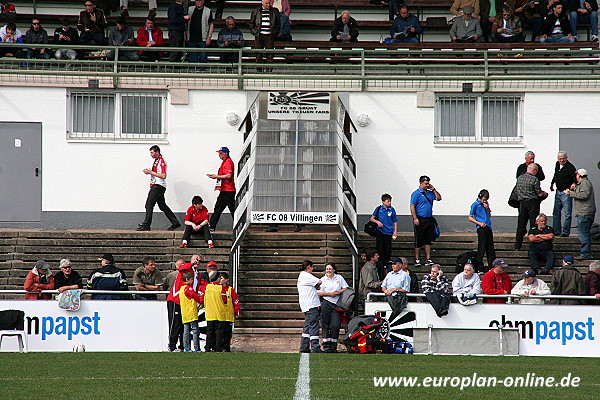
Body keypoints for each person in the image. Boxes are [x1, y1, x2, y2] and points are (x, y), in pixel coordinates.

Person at [137, 145, 181, 232]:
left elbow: (163, 175)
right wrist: (150, 172)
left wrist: (151, 172)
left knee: (149, 205)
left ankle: (146, 225)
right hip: (159, 186)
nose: (151, 154)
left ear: (157, 152)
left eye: (152, 152)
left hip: (158, 186)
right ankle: (175, 222)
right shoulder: (157, 161)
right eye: (150, 152)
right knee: (162, 206)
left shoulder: (161, 161)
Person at [166, 254, 202, 352]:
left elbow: (196, 287)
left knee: (184, 325)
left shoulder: (197, 273)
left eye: (199, 260)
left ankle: (183, 346)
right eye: (196, 259)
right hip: (175, 300)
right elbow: (181, 267)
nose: (197, 262)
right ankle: (172, 346)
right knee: (175, 324)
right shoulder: (186, 269)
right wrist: (190, 263)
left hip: (186, 302)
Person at [410, 175, 442, 267]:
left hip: (429, 219)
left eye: (428, 183)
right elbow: (412, 206)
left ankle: (428, 259)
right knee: (418, 240)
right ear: (421, 183)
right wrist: (415, 218)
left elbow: (439, 198)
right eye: (425, 183)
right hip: (420, 218)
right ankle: (417, 259)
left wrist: (434, 190)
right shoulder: (416, 194)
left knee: (428, 240)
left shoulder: (430, 193)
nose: (427, 185)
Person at [514, 163, 547, 250]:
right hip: (532, 203)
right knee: (533, 224)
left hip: (522, 203)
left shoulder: (519, 178)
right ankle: (533, 245)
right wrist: (544, 193)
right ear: (534, 170)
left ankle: (517, 246)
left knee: (521, 225)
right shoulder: (534, 179)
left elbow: (516, 191)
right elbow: (539, 193)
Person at [318, 262, 348, 353]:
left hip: (336, 304)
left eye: (330, 269)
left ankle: (333, 345)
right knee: (325, 324)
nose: (328, 270)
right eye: (327, 269)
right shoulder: (322, 279)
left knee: (335, 325)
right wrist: (330, 294)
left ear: (334, 270)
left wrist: (338, 292)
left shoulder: (339, 278)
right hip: (326, 303)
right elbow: (319, 292)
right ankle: (326, 346)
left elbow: (346, 288)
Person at [566, 168, 596, 260]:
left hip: (584, 213)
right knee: (585, 233)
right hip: (585, 213)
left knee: (583, 234)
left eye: (577, 175)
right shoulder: (584, 183)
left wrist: (571, 193)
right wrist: (575, 188)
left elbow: (584, 195)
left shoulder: (585, 183)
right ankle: (585, 252)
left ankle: (585, 253)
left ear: (579, 175)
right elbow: (582, 191)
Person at [297, 260, 323, 353]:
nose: (313, 269)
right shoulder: (307, 276)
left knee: (307, 326)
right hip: (311, 304)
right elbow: (319, 281)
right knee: (313, 325)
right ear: (308, 267)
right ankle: (315, 347)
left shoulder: (302, 276)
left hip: (305, 304)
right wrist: (317, 285)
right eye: (312, 267)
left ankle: (304, 347)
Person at [208, 146, 236, 230]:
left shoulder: (228, 162)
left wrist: (216, 176)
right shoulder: (225, 162)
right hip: (225, 190)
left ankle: (212, 226)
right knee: (219, 208)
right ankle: (212, 226)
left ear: (226, 154)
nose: (219, 155)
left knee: (229, 209)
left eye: (221, 154)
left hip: (228, 190)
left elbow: (229, 175)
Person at [468, 189, 496, 272]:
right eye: (484, 199)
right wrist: (479, 223)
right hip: (481, 227)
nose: (485, 201)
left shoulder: (486, 204)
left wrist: (487, 208)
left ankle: (492, 265)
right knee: (482, 247)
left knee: (490, 247)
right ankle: (479, 266)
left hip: (488, 226)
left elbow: (489, 215)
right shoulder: (475, 205)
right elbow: (470, 217)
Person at [550, 151, 577, 237]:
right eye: (560, 159)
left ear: (566, 158)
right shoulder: (557, 164)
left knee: (567, 213)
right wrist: (552, 183)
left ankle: (565, 232)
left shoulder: (570, 167)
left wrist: (573, 185)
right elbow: (556, 175)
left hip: (566, 192)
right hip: (558, 191)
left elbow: (574, 178)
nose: (561, 161)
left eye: (563, 159)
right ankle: (556, 231)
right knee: (556, 212)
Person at [369, 193, 398, 271]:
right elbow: (371, 218)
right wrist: (377, 222)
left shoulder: (392, 210)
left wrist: (395, 231)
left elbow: (395, 221)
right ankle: (380, 264)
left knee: (387, 249)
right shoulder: (378, 209)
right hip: (380, 231)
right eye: (388, 201)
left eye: (390, 201)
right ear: (383, 201)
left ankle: (386, 264)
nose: (389, 203)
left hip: (388, 232)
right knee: (380, 248)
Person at [213, 272, 240, 352]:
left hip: (228, 315)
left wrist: (236, 311)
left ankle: (226, 347)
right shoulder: (216, 289)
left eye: (222, 278)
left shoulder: (230, 290)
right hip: (219, 315)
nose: (220, 280)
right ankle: (218, 347)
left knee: (227, 332)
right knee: (219, 332)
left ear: (226, 280)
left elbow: (235, 301)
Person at [249, 0, 280, 64]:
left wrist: (274, 33)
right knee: (258, 55)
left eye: (269, 3)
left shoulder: (274, 11)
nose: (268, 5)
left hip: (270, 36)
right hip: (259, 35)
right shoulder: (256, 11)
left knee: (270, 55)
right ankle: (259, 71)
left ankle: (269, 71)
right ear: (262, 3)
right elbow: (251, 23)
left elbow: (278, 24)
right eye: (266, 3)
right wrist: (255, 32)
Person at [179, 271, 203, 352]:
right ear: (187, 279)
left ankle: (187, 348)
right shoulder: (188, 288)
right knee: (195, 330)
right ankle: (197, 348)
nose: (193, 281)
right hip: (191, 312)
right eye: (191, 279)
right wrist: (201, 298)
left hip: (185, 312)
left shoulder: (181, 289)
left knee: (186, 331)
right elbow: (196, 297)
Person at [381, 257, 411, 322]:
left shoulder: (405, 275)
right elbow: (383, 286)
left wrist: (395, 289)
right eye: (392, 264)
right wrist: (386, 291)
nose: (393, 265)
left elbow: (406, 289)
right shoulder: (389, 274)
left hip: (398, 298)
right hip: (387, 297)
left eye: (394, 264)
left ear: (400, 265)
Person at [187, 0, 214, 64]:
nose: (198, 2)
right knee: (192, 59)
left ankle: (203, 72)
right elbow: (185, 23)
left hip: (203, 39)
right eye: (197, 0)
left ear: (203, 1)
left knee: (203, 58)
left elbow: (211, 24)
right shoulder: (189, 10)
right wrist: (185, 34)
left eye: (200, 0)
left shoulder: (208, 11)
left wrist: (209, 37)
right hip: (191, 38)